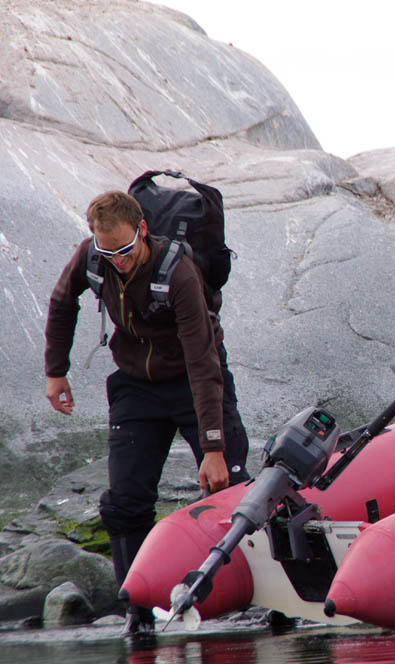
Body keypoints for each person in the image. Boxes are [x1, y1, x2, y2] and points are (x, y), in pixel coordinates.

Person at [44, 191, 252, 632]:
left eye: (124, 250)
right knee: (124, 502)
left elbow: (203, 361)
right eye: (107, 252)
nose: (117, 261)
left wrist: (213, 447)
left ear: (141, 230)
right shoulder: (92, 256)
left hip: (193, 379)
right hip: (136, 385)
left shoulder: (178, 273)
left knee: (231, 487)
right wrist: (55, 371)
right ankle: (136, 613)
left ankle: (262, 599)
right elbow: (62, 302)